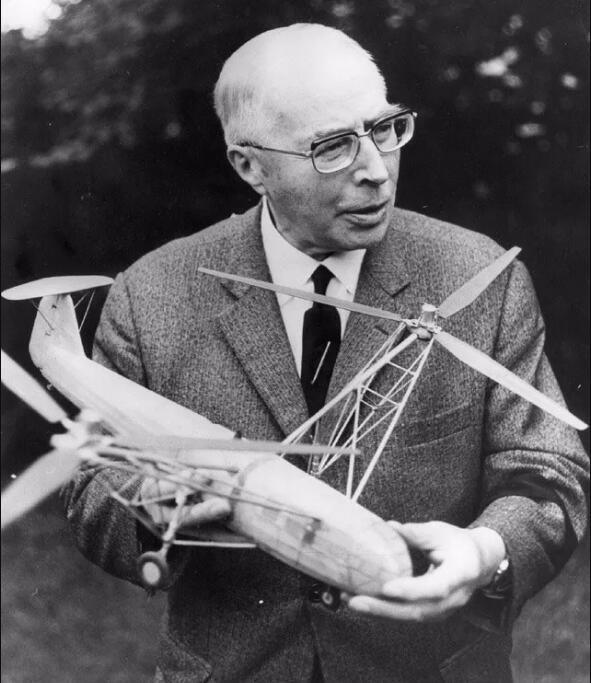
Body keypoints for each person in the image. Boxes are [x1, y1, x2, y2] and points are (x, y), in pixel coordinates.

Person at [64, 23, 589, 683]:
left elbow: (546, 472)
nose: (375, 170)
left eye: (385, 129)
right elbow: (94, 492)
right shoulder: (152, 295)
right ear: (249, 166)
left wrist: (484, 552)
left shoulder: (479, 277)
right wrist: (151, 510)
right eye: (333, 146)